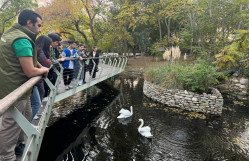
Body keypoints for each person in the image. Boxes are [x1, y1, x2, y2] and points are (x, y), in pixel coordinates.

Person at [0, 9, 49, 161]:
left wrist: (39, 66)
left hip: (12, 86)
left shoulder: (8, 35)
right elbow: (29, 71)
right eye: (39, 25)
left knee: (27, 114)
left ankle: (19, 144)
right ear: (29, 23)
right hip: (15, 89)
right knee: (10, 124)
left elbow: (28, 61)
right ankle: (6, 156)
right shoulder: (22, 40)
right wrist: (44, 69)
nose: (40, 30)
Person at [31, 35, 53, 120]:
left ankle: (34, 114)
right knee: (36, 102)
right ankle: (29, 121)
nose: (50, 46)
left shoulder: (38, 50)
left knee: (41, 93)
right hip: (34, 78)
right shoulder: (39, 50)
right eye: (49, 44)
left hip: (38, 78)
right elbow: (47, 63)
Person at [43, 33, 64, 98]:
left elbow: (52, 57)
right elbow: (50, 59)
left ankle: (48, 96)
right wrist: (58, 61)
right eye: (57, 42)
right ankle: (45, 98)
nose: (58, 44)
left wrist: (56, 62)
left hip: (50, 70)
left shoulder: (51, 48)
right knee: (45, 86)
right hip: (45, 70)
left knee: (51, 83)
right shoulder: (44, 47)